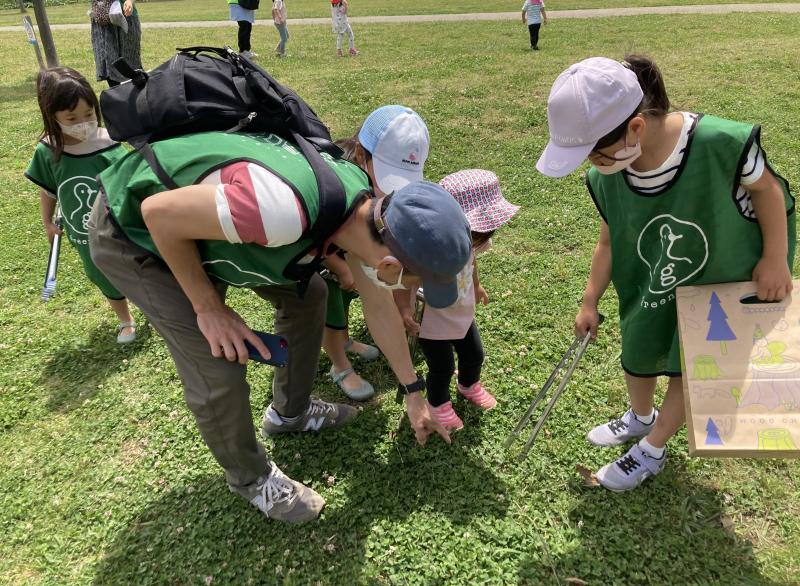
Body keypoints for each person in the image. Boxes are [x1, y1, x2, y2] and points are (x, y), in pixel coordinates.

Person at [88, 127, 471, 522]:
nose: (413, 292)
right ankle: (251, 479)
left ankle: (291, 413)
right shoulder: (283, 214)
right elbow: (158, 214)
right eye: (415, 284)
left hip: (195, 223)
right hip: (130, 230)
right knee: (217, 357)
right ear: (390, 265)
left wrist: (413, 392)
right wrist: (209, 308)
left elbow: (378, 307)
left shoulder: (360, 205)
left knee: (310, 294)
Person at [536, 55, 795, 491]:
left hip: (720, 279)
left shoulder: (720, 143)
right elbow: (609, 239)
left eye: (595, 155)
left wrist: (774, 257)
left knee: (690, 364)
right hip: (653, 280)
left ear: (635, 128)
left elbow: (767, 190)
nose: (591, 166)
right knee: (639, 347)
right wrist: (589, 298)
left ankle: (652, 449)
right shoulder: (610, 174)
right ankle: (640, 417)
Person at [321, 105, 431, 401]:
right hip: (316, 264)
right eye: (387, 176)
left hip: (345, 251)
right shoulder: (334, 191)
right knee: (327, 307)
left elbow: (378, 298)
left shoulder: (371, 194)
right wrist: (339, 265)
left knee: (345, 300)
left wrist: (411, 388)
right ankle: (339, 366)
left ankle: (345, 341)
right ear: (360, 155)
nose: (389, 190)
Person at [396, 170, 519, 430]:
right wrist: (405, 310)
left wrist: (476, 286)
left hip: (462, 313)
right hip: (431, 322)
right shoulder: (428, 247)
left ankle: (468, 384)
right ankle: (438, 404)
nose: (476, 243)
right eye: (476, 234)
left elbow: (471, 263)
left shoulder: (470, 243)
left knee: (474, 354)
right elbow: (402, 282)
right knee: (441, 367)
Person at [25, 67, 137, 344]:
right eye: (71, 118)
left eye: (88, 115)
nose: (82, 123)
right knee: (101, 273)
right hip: (84, 233)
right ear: (53, 117)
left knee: (135, 266)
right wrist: (47, 223)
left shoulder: (109, 140)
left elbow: (128, 179)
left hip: (119, 225)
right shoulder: (48, 150)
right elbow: (48, 191)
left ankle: (154, 308)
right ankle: (125, 320)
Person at [90, 0, 142, 86]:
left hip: (124, 18)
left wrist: (129, 1)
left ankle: (131, 95)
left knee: (129, 65)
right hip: (102, 19)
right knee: (108, 67)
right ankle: (117, 95)